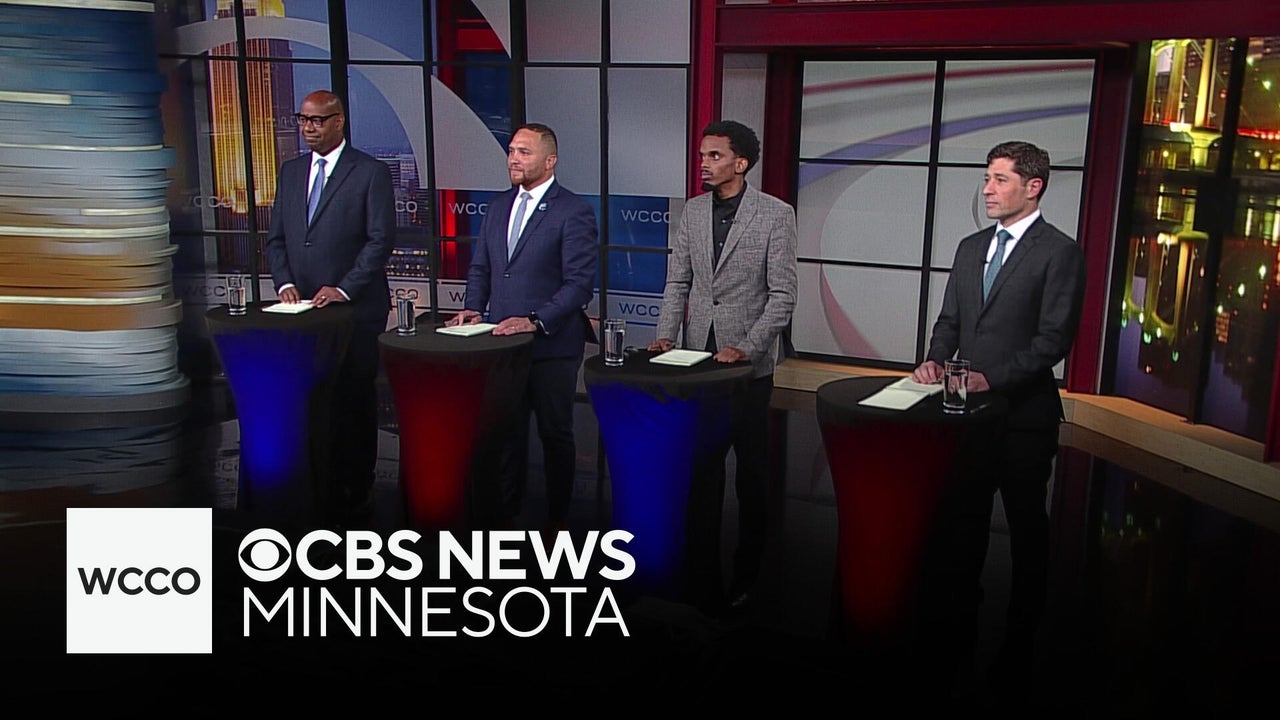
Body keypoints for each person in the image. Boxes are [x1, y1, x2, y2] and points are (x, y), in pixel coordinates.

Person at [911, 140, 1086, 699]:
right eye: (986, 178)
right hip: (966, 416)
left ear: (1033, 187)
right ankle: (958, 619)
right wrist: (935, 359)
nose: (987, 189)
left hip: (1024, 416)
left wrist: (993, 377)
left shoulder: (1059, 253)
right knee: (963, 517)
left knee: (1027, 521)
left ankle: (1027, 629)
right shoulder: (970, 248)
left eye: (999, 180)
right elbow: (950, 320)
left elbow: (1053, 340)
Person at [648, 120, 798, 616]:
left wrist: (748, 348)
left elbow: (783, 296)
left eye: (714, 156)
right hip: (697, 361)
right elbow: (678, 282)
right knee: (701, 467)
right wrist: (667, 336)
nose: (704, 164)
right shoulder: (692, 212)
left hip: (748, 368)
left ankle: (752, 574)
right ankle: (699, 575)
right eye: (702, 156)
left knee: (752, 472)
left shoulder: (776, 214)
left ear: (741, 162)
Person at [447, 122, 598, 531]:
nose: (513, 158)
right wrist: (474, 308)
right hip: (501, 346)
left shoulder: (573, 211)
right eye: (512, 150)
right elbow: (481, 267)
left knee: (555, 433)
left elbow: (579, 285)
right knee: (507, 433)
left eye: (524, 152)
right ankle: (507, 517)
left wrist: (534, 321)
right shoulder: (498, 207)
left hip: (552, 346)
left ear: (550, 161)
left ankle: (557, 518)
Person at [265, 89, 395, 522]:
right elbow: (277, 239)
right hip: (302, 313)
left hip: (355, 311)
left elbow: (380, 241)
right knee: (311, 402)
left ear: (339, 121)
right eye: (303, 119)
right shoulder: (290, 172)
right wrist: (285, 283)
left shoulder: (370, 172)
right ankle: (315, 485)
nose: (308, 128)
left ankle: (356, 489)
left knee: (353, 401)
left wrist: (343, 289)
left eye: (317, 120)